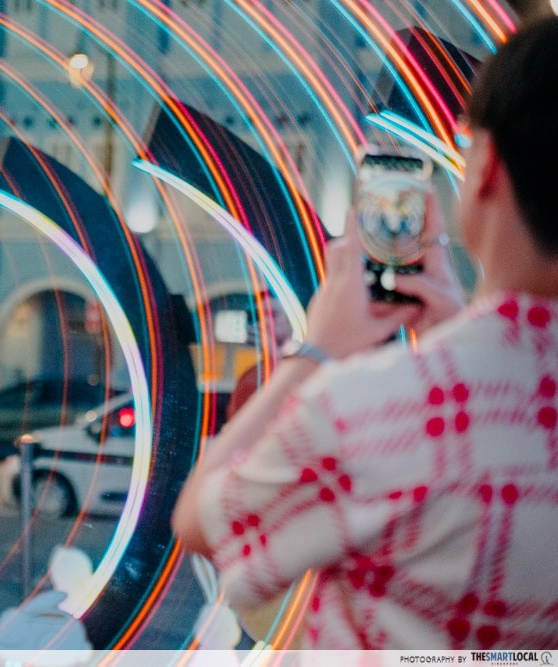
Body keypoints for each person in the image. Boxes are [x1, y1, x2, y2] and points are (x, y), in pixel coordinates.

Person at [173, 16, 558, 649]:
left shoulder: (369, 409)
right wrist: (454, 335)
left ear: (486, 169)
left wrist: (315, 349)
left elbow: (202, 521)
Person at [226, 291, 294, 421]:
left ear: (291, 320)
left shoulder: (306, 363)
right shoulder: (252, 373)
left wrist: (273, 354)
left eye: (272, 315)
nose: (264, 322)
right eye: (259, 316)